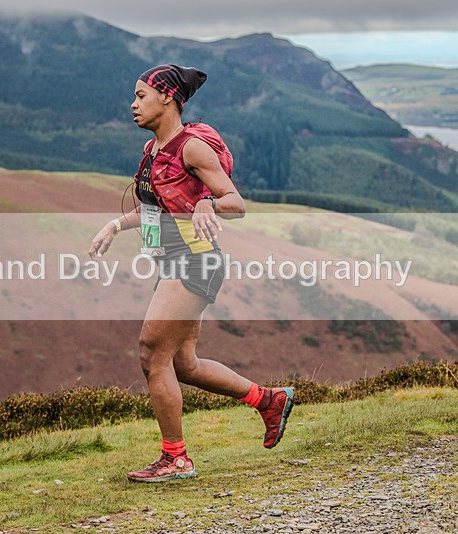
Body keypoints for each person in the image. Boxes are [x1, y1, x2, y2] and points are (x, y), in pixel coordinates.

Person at [88, 64, 294, 483]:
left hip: (196, 260)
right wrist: (114, 226)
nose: (133, 103)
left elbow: (235, 202)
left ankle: (176, 459)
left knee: (151, 352)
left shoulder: (192, 147)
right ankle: (268, 400)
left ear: (167, 97)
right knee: (183, 363)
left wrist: (209, 205)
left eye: (141, 95)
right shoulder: (153, 151)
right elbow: (154, 210)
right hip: (174, 260)